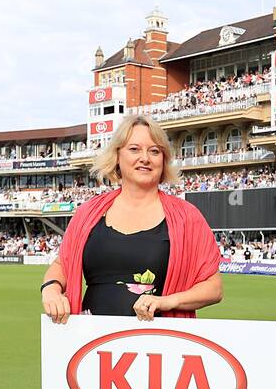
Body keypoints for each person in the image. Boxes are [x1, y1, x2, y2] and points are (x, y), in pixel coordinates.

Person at [40, 115, 222, 324]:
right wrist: (51, 289)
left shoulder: (187, 217)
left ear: (163, 160)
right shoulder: (88, 213)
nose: (145, 158)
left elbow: (214, 287)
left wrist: (167, 301)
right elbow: (62, 264)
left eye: (154, 151)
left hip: (159, 345)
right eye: (134, 149)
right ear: (117, 155)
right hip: (92, 344)